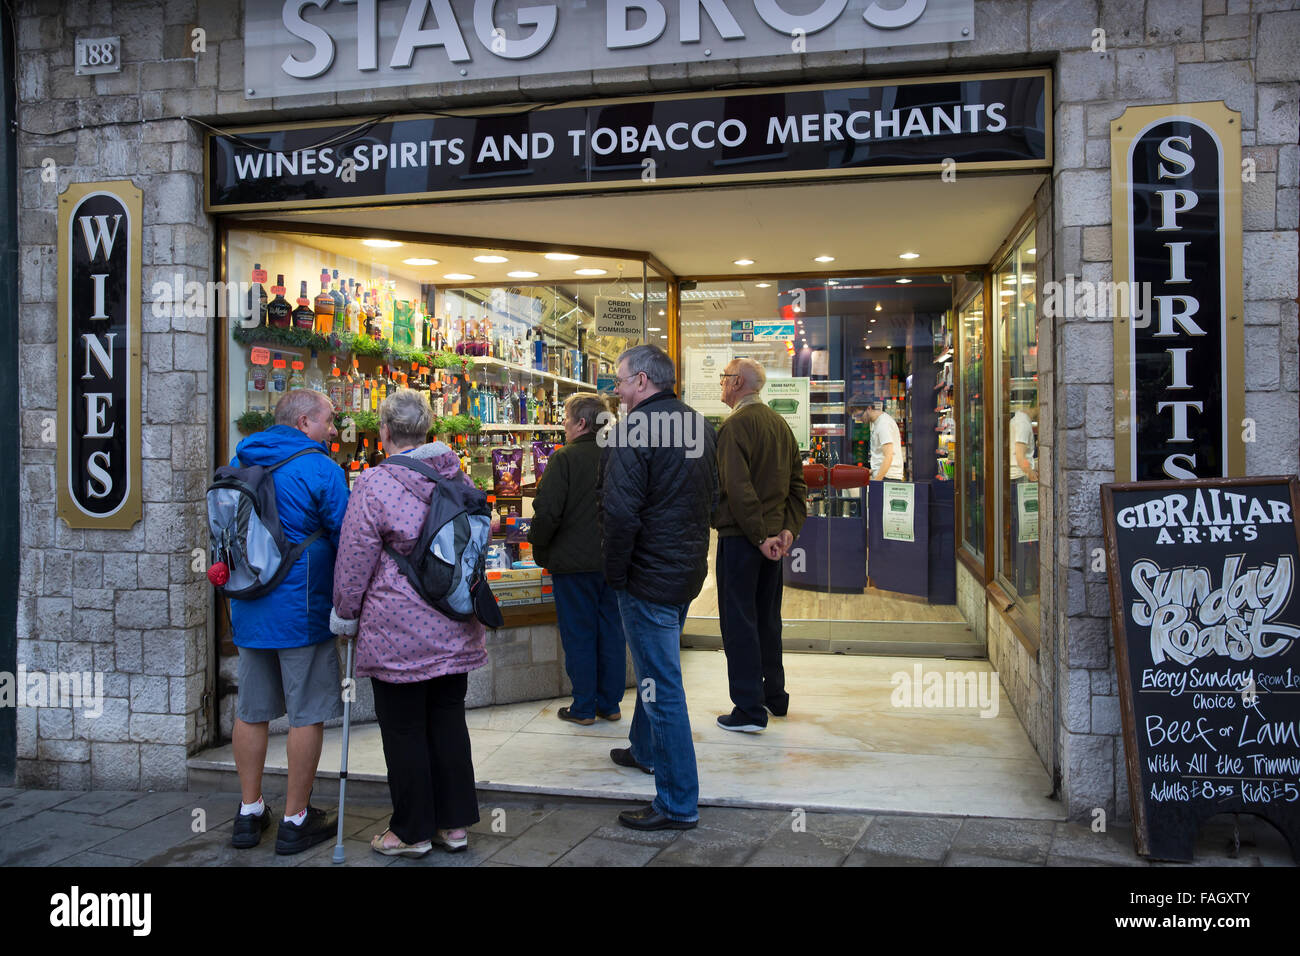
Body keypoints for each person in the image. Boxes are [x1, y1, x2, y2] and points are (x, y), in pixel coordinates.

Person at [331, 388, 488, 857]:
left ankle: (412, 831)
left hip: (397, 630)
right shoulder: (454, 472)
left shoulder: (375, 484)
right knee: (447, 720)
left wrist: (345, 613)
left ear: (383, 432)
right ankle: (454, 826)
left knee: (403, 729)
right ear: (429, 430)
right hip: (453, 620)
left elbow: (355, 558)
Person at [599, 344, 717, 831]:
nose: (617, 390)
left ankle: (676, 802)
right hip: (684, 570)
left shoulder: (633, 430)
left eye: (621, 381)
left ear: (643, 381)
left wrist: (616, 574)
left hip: (647, 577)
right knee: (659, 673)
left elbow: (620, 513)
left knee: (660, 686)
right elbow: (711, 496)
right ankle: (644, 749)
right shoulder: (699, 425)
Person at [228, 389, 349, 855]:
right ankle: (296, 818)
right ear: (304, 422)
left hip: (249, 605)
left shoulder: (241, 459)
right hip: (301, 607)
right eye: (329, 420)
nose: (335, 429)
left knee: (251, 709)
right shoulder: (321, 468)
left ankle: (249, 810)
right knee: (308, 712)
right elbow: (346, 535)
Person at [713, 358, 806, 732]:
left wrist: (759, 536)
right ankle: (774, 696)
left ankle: (749, 709)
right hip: (773, 544)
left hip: (743, 540)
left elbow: (737, 489)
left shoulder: (734, 426)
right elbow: (797, 484)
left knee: (739, 623)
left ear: (737, 383)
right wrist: (787, 532)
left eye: (724, 377)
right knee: (768, 620)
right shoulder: (779, 425)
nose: (721, 383)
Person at [529, 392, 626, 726]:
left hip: (572, 566)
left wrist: (540, 549)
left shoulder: (564, 459)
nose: (564, 426)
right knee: (612, 631)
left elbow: (547, 512)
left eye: (567, 420)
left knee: (580, 634)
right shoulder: (620, 455)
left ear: (581, 423)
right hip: (614, 561)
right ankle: (610, 704)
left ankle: (584, 707)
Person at [1009, 401, 1039, 596]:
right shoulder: (1023, 423)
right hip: (1020, 481)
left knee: (1021, 533)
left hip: (1017, 479)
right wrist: (1032, 475)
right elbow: (1020, 457)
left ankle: (1021, 579)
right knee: (1025, 533)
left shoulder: (1018, 420)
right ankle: (1023, 583)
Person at [862, 400, 905, 481]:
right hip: (884, 476)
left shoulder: (883, 424)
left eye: (859, 415)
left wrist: (877, 482)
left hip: (888, 477)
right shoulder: (877, 423)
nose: (859, 418)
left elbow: (888, 456)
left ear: (869, 408)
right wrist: (872, 471)